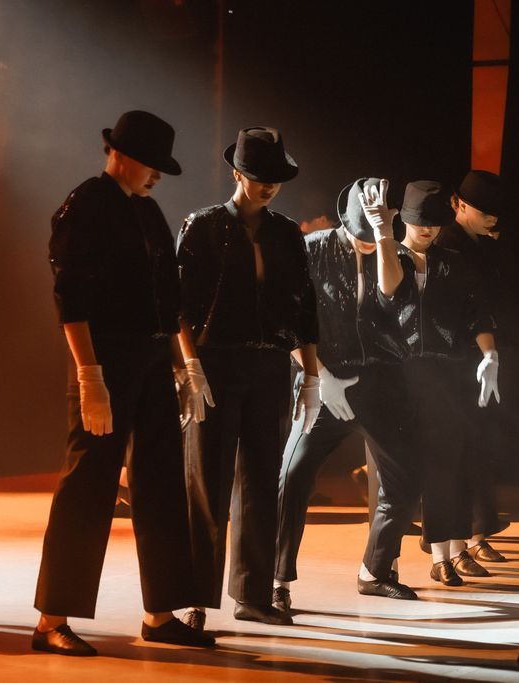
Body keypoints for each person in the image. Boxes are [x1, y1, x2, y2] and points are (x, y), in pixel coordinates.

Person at [33, 110, 213, 656]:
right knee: (88, 486)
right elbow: (70, 299)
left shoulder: (149, 211)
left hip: (152, 359)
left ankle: (161, 613)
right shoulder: (86, 204)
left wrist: (183, 364)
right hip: (104, 360)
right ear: (121, 155)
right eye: (151, 165)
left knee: (160, 484)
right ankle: (51, 620)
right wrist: (89, 375)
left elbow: (169, 298)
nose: (157, 175)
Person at [175, 127, 320, 631]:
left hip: (268, 367)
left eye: (275, 178)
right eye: (259, 177)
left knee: (261, 482)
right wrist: (189, 366)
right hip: (214, 365)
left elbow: (304, 308)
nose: (269, 186)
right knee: (206, 483)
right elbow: (179, 305)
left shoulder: (286, 233)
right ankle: (194, 598)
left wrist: (311, 375)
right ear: (237, 173)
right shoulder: (203, 226)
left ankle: (253, 595)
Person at [273, 177, 420, 613]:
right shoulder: (312, 249)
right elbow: (286, 320)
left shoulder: (390, 249)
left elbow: (393, 296)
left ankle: (375, 571)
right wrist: (319, 376)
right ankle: (277, 580)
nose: (366, 244)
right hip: (324, 378)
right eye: (361, 235)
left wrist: (384, 237)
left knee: (404, 476)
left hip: (378, 381)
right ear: (344, 223)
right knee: (293, 474)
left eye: (372, 235)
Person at [391, 180, 496, 585]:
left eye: (434, 223)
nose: (427, 229)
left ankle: (444, 555)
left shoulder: (451, 262)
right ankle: (383, 564)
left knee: (447, 464)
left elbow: (476, 313)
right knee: (394, 474)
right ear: (404, 217)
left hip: (445, 374)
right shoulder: (388, 258)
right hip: (397, 374)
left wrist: (490, 355)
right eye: (420, 221)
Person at [432, 170, 508, 571]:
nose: (493, 218)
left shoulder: (477, 242)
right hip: (454, 362)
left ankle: (472, 538)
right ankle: (453, 547)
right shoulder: (448, 243)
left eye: (496, 212)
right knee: (456, 455)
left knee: (476, 449)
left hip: (475, 357)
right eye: (485, 211)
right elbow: (462, 311)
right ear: (459, 205)